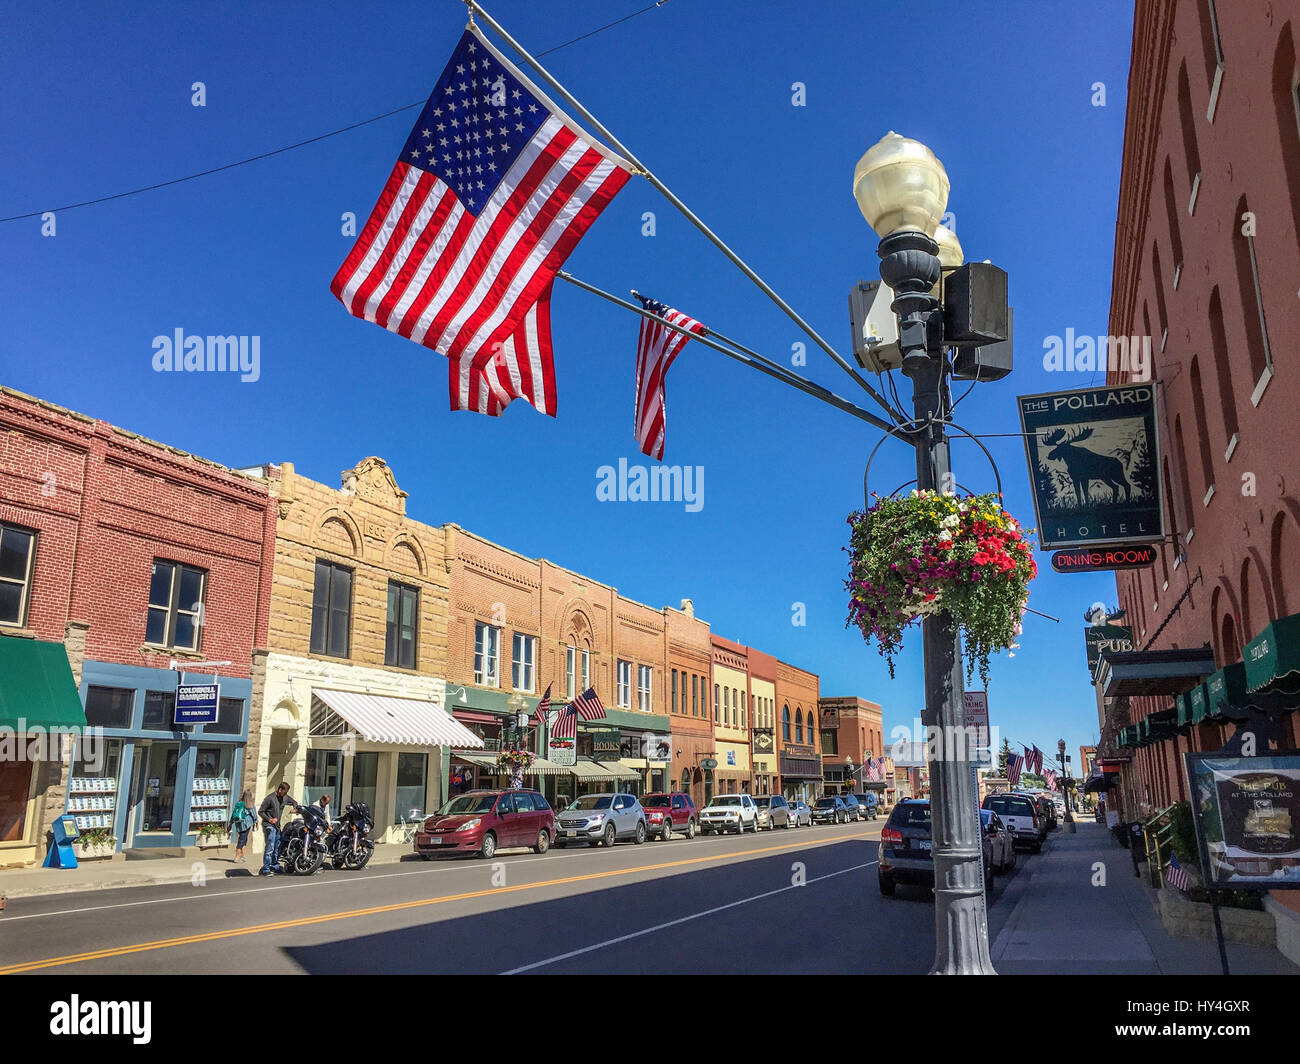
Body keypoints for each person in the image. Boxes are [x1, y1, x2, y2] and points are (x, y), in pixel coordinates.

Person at [259, 782, 301, 877]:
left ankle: (274, 866)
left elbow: (294, 802)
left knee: (278, 847)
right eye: (284, 793)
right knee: (270, 847)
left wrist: (295, 808)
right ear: (280, 789)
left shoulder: (285, 798)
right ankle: (266, 869)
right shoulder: (270, 798)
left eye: (286, 793)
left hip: (277, 826)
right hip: (269, 825)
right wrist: (269, 819)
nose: (284, 796)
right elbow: (260, 811)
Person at [229, 789, 256, 863]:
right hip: (246, 824)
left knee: (244, 838)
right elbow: (254, 815)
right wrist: (256, 822)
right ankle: (237, 856)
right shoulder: (250, 805)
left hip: (239, 824)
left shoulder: (239, 804)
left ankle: (242, 855)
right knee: (242, 839)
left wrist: (230, 823)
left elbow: (234, 813)